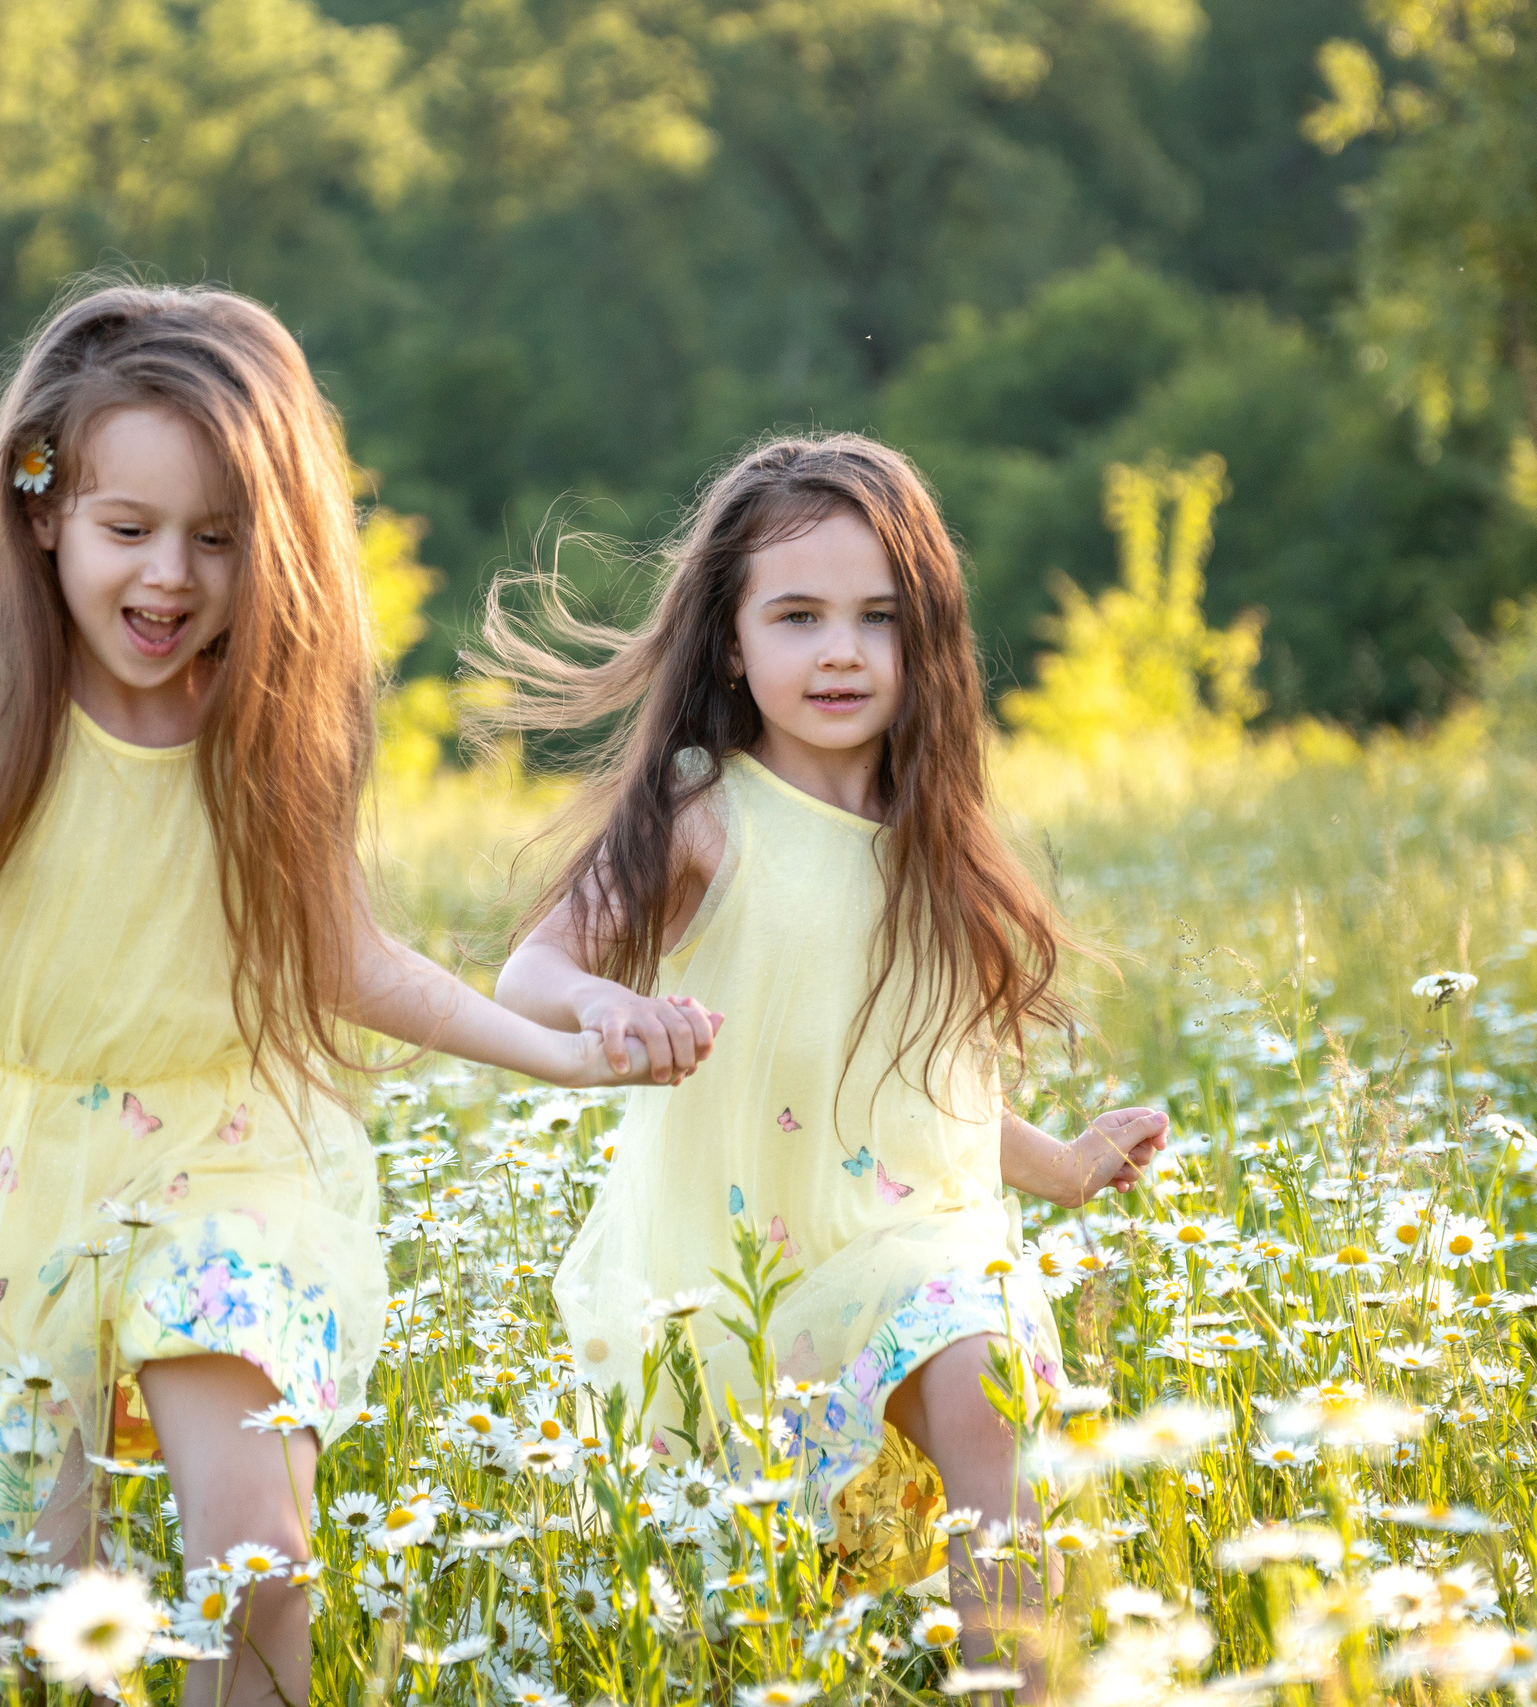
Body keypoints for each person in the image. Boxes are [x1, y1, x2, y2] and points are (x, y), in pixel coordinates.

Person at [0, 283, 714, 1706]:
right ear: (44, 507)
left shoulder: (263, 734)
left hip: (225, 1159)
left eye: (219, 538)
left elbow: (348, 960)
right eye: (130, 529)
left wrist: (566, 1050)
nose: (170, 575)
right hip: (7, 1181)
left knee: (258, 1555)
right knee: (49, 1619)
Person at [477, 433, 1165, 1688]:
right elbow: (530, 971)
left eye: (877, 618)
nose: (840, 651)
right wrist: (606, 1009)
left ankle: (1023, 1680)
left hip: (916, 1247)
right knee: (739, 1616)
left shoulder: (935, 847)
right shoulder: (703, 817)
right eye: (796, 617)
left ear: (928, 643)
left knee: (989, 1382)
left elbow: (924, 1081)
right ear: (731, 643)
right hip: (742, 1270)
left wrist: (1060, 1167)